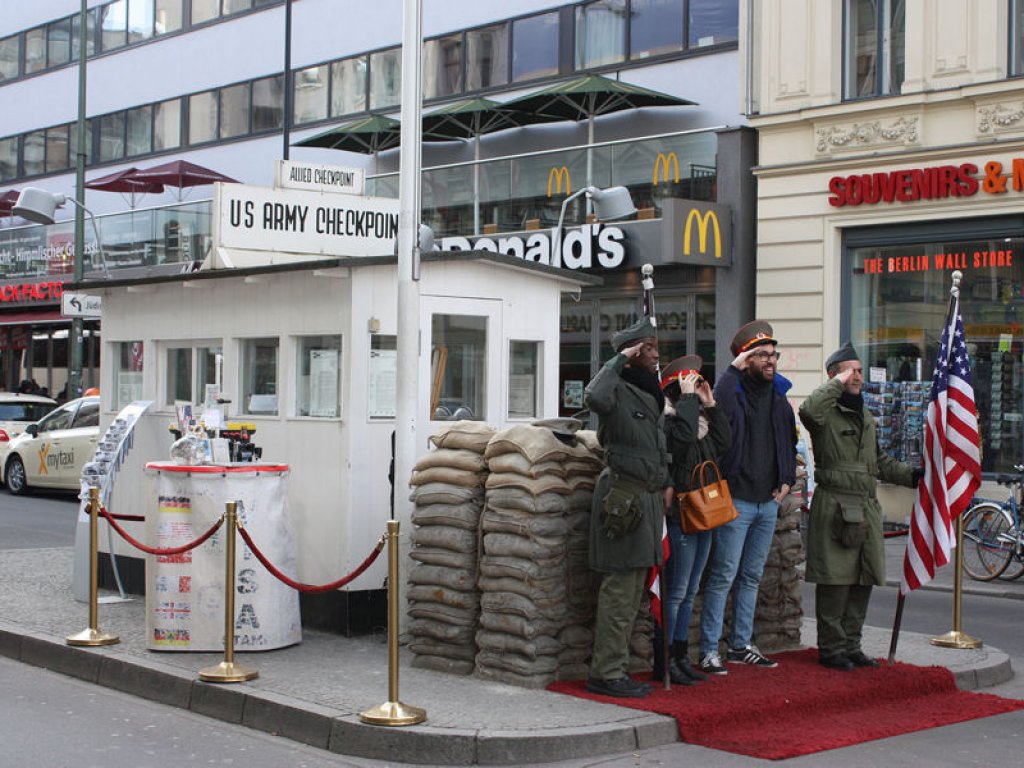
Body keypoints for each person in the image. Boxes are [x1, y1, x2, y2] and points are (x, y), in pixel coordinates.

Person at [798, 342, 920, 670]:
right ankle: (832, 649)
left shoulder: (865, 413)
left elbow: (877, 461)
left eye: (859, 370)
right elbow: (808, 410)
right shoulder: (825, 413)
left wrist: (914, 477)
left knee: (862, 580)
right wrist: (835, 385)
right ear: (833, 376)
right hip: (835, 504)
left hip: (865, 505)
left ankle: (852, 645)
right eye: (849, 370)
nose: (857, 376)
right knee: (835, 583)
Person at [698, 320, 797, 675]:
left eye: (774, 355)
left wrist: (786, 481)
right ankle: (709, 649)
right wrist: (731, 370)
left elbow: (788, 441)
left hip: (767, 502)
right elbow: (718, 411)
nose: (771, 361)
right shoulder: (732, 391)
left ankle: (741, 644)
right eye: (762, 356)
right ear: (746, 360)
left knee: (752, 576)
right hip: (736, 500)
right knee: (723, 576)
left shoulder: (780, 397)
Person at [584, 317, 673, 699]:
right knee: (619, 592)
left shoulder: (651, 390)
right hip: (623, 497)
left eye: (655, 347)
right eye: (648, 349)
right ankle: (606, 673)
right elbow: (594, 398)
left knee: (634, 588)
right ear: (633, 352)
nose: (656, 355)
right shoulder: (617, 385)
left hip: (649, 499)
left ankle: (616, 667)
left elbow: (657, 446)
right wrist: (617, 360)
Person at [659, 354, 731, 684]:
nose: (697, 387)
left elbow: (724, 443)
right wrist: (688, 400)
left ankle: (681, 655)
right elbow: (682, 440)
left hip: (707, 511)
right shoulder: (669, 420)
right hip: (682, 514)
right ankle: (667, 660)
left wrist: (710, 403)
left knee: (690, 592)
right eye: (690, 383)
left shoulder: (697, 417)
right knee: (675, 593)